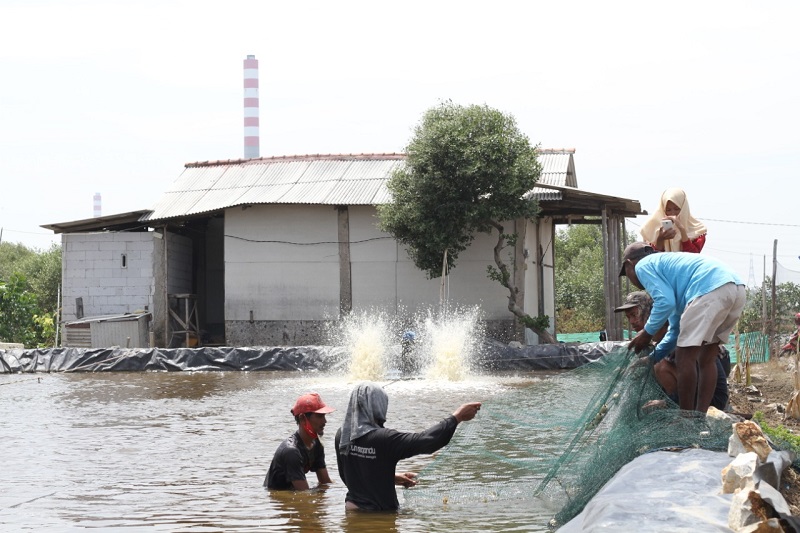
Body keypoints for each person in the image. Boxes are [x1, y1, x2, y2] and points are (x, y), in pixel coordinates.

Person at [620, 242, 745, 413]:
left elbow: (665, 302)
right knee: (706, 357)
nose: (631, 278)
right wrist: (652, 357)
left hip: (709, 288)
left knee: (684, 356)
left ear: (629, 264)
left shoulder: (643, 265)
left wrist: (646, 333)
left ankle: (685, 417)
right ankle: (699, 416)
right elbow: (675, 331)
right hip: (735, 288)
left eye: (626, 274)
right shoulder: (671, 274)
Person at [335, 382, 481, 511]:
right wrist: (457, 417)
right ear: (378, 405)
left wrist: (389, 478)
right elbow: (427, 441)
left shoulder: (342, 435)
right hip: (380, 514)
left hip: (352, 511)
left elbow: (348, 476)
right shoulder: (384, 439)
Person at [615, 291, 729, 411]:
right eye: (628, 317)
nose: (632, 321)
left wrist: (667, 402)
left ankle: (683, 411)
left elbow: (697, 376)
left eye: (634, 314)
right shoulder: (657, 341)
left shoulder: (671, 338)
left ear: (649, 313)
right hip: (698, 397)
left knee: (658, 364)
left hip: (710, 401)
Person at [264, 392, 335, 490]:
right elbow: (304, 494)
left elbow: (325, 482)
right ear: (302, 418)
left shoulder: (316, 443)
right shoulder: (291, 451)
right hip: (278, 497)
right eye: (320, 416)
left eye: (324, 416)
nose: (324, 421)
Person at [639, 188, 707, 253]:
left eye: (677, 209)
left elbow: (693, 256)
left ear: (684, 208)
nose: (673, 214)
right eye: (668, 210)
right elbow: (653, 258)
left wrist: (681, 229)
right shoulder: (652, 229)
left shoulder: (698, 230)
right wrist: (660, 239)